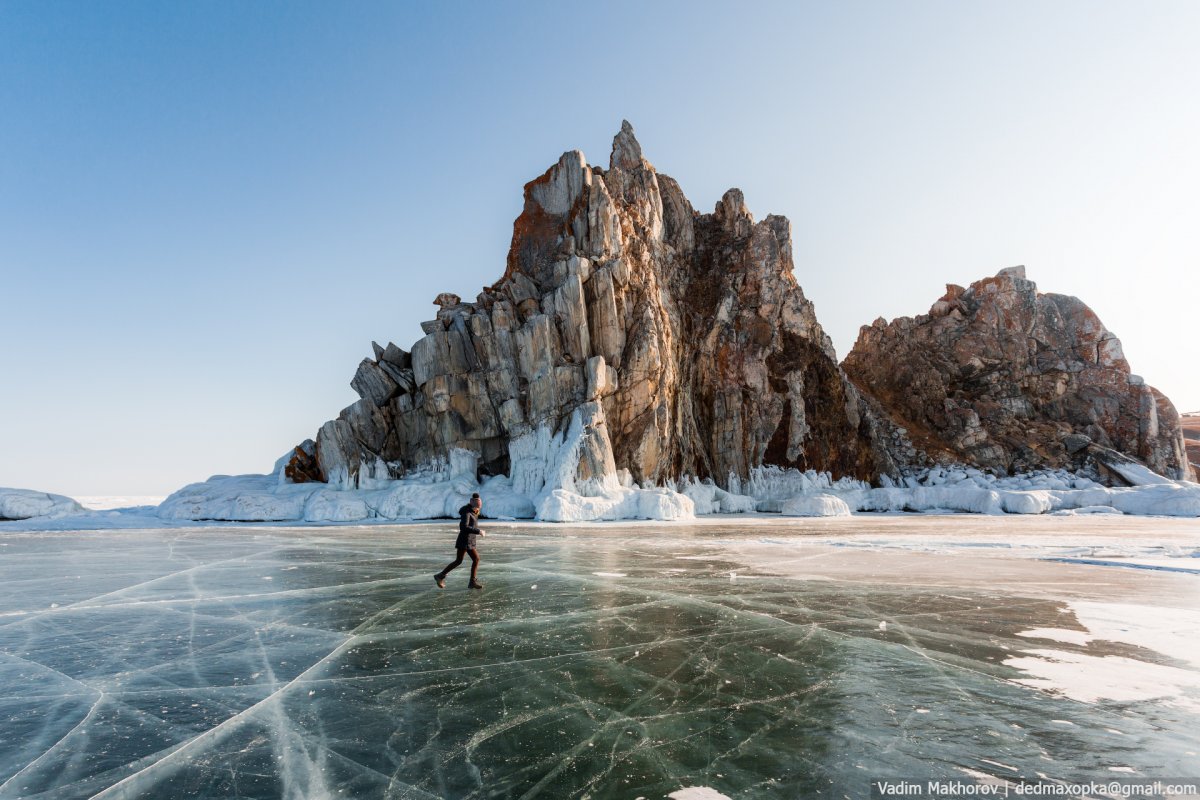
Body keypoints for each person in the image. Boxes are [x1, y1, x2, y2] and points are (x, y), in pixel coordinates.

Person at [435, 493, 485, 589]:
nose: (478, 510)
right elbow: (463, 527)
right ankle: (440, 576)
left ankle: (471, 582)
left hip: (469, 541)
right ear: (473, 505)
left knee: (465, 560)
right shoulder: (467, 512)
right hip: (464, 540)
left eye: (479, 508)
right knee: (466, 560)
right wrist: (478, 531)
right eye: (477, 507)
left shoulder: (473, 512)